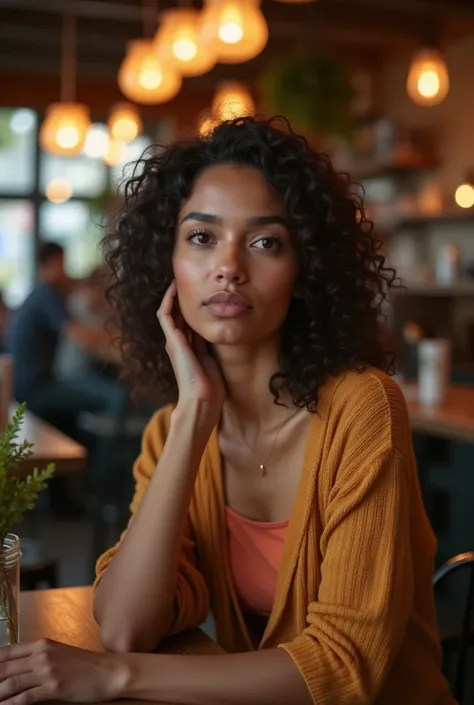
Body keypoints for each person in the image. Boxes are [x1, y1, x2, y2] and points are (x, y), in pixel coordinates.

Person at [0, 117, 454, 704]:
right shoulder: (174, 430)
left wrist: (115, 675)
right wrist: (192, 418)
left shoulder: (361, 407)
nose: (229, 266)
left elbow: (345, 668)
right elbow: (125, 625)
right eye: (201, 237)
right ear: (168, 265)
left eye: (265, 242)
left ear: (305, 271)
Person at [7, 243, 119, 432]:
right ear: (55, 262)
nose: (66, 271)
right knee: (115, 398)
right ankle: (106, 462)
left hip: (28, 386)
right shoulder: (46, 295)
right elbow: (82, 337)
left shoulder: (39, 293)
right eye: (63, 263)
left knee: (78, 416)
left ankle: (84, 454)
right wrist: (121, 347)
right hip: (33, 390)